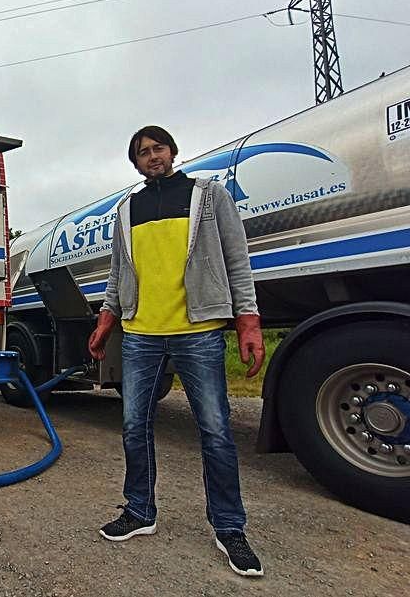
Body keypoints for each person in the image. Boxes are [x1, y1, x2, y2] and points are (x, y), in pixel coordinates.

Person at [88, 125, 266, 577]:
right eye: (143, 153)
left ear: (172, 151)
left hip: (198, 329)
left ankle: (229, 528)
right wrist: (107, 319)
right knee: (133, 426)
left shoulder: (207, 196)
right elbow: (117, 273)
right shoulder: (127, 209)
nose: (152, 156)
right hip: (141, 333)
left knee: (216, 430)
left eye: (158, 148)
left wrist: (248, 318)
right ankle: (139, 510)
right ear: (135, 163)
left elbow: (237, 259)